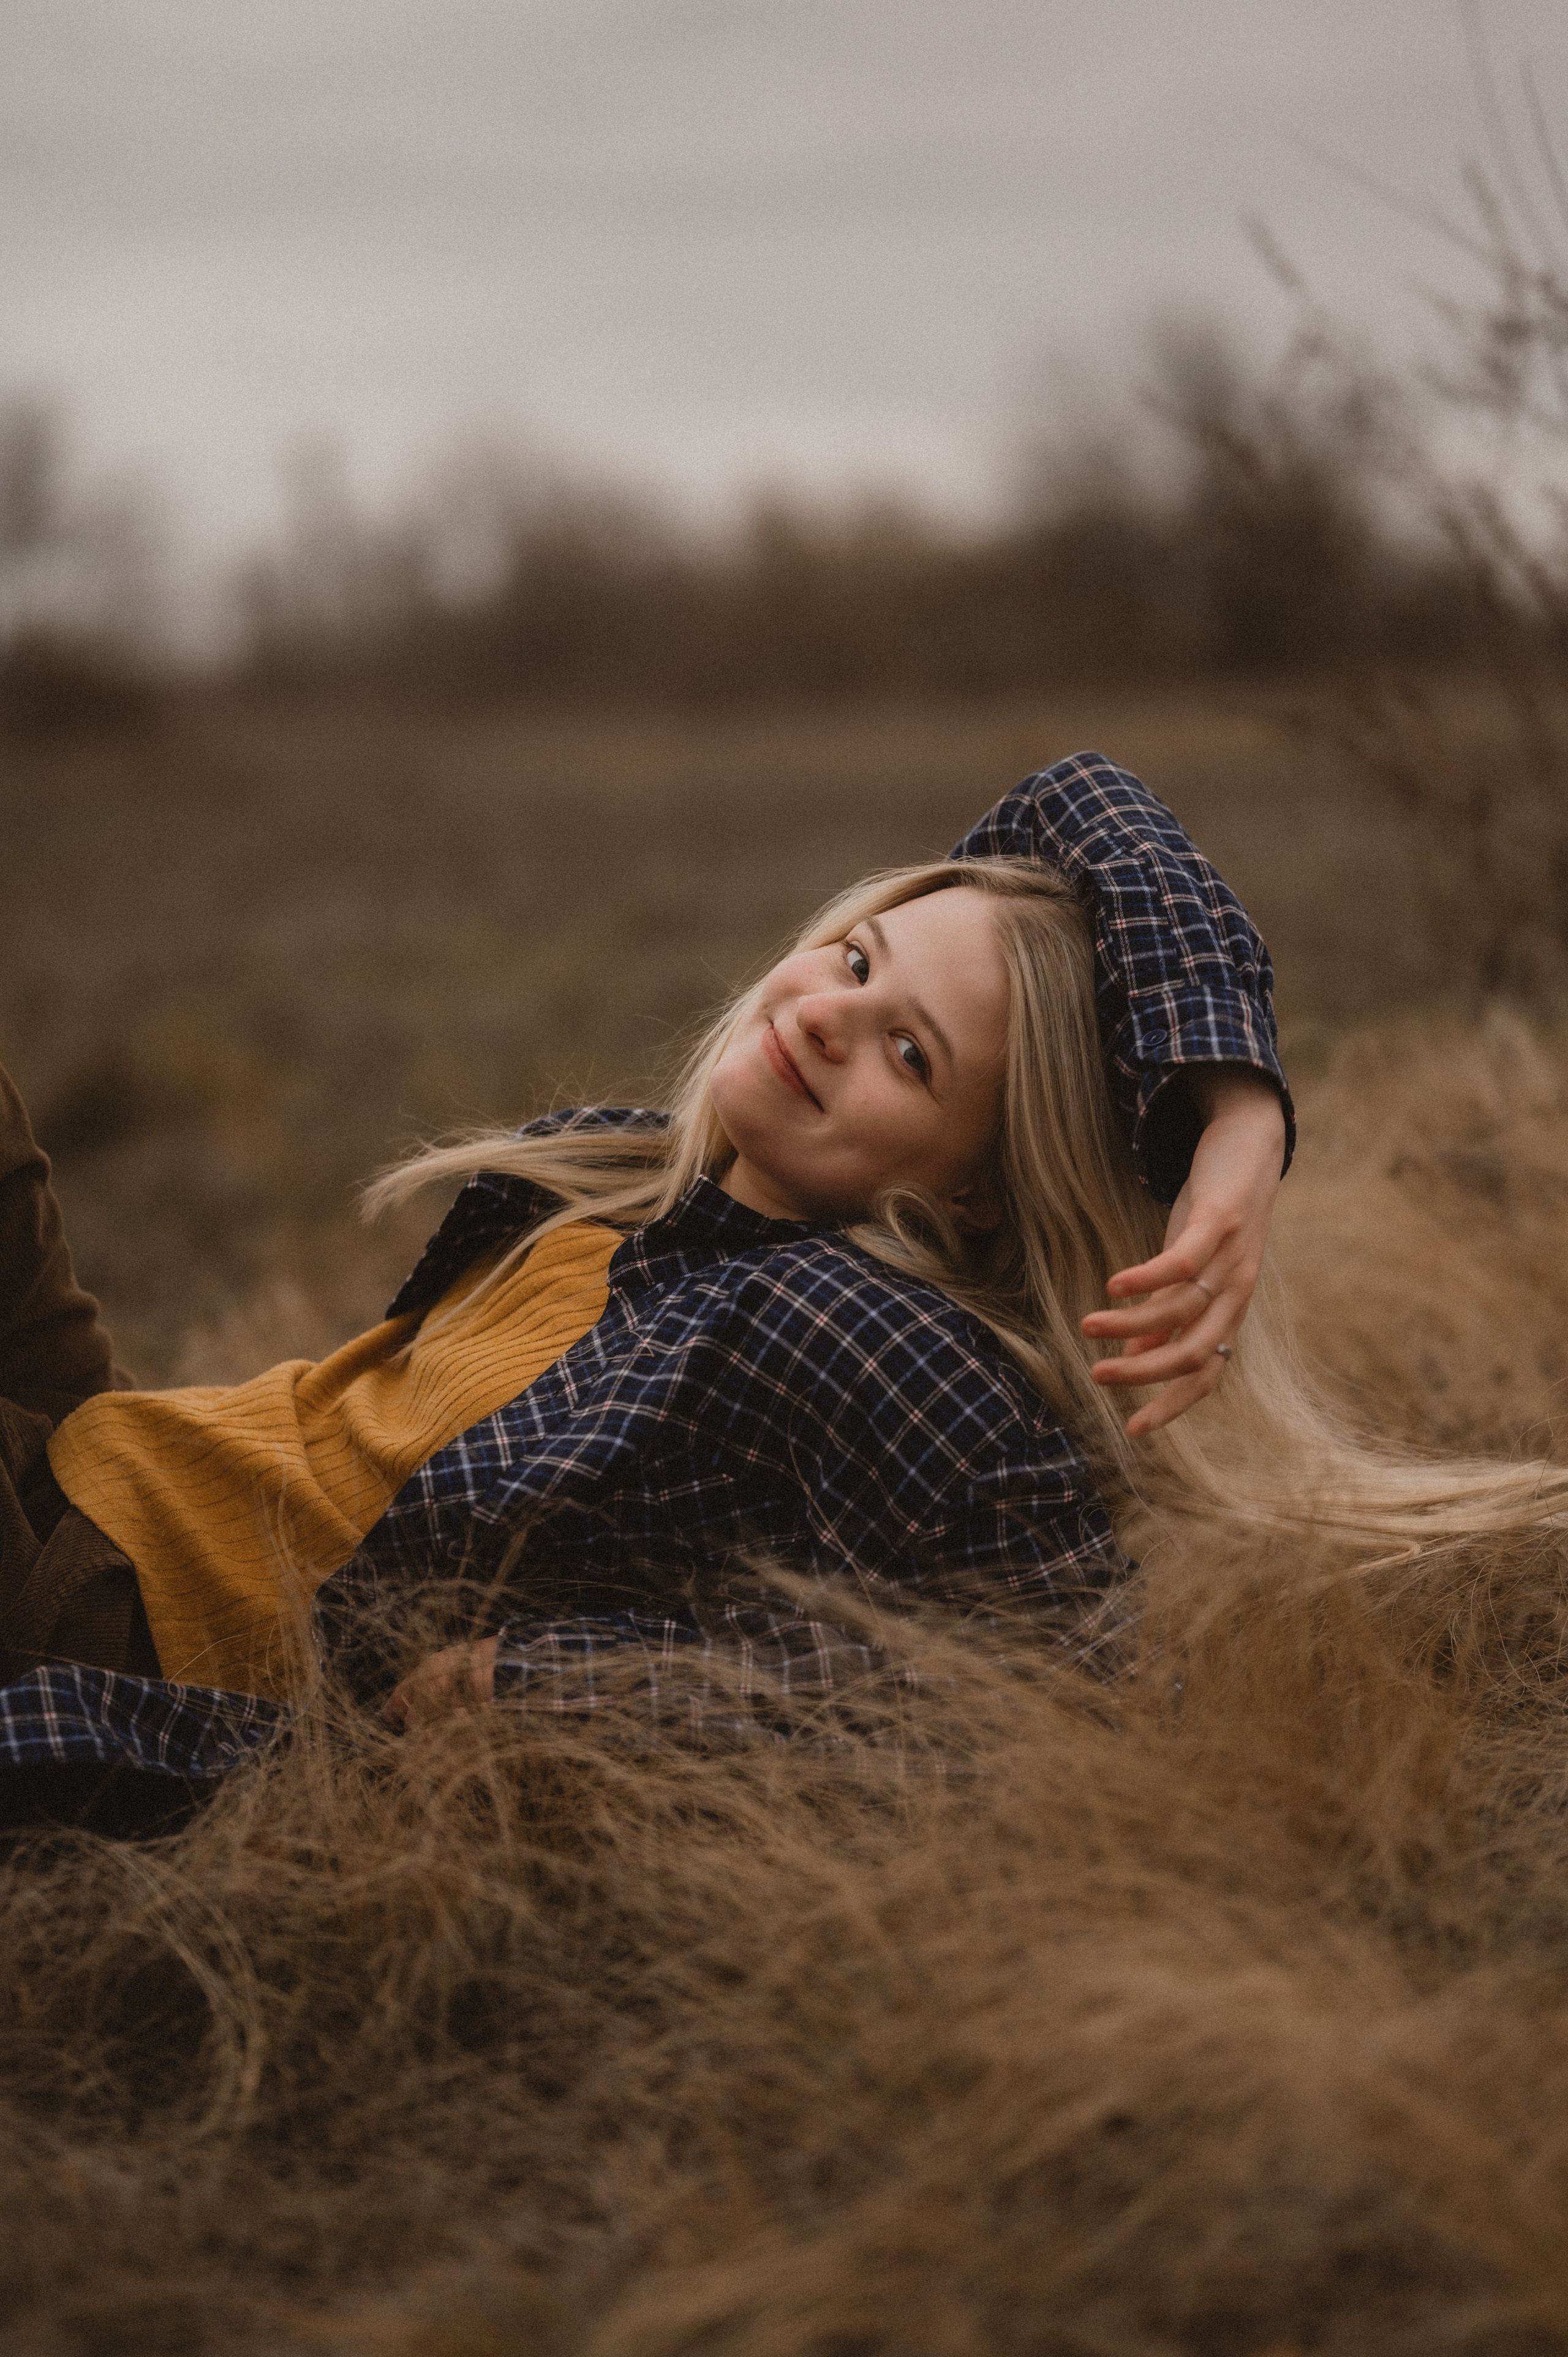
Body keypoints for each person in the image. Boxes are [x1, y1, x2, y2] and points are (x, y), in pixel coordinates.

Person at [0, 751, 1305, 1812]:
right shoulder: (635, 1181)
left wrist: (574, 1684)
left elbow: (1054, 1681)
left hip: (109, 1623)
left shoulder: (855, 1323)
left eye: (909, 1054)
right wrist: (1233, 1100)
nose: (829, 1014)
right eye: (858, 959)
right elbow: (1078, 800)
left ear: (975, 1193)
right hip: (102, 1445)